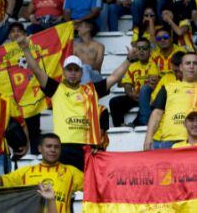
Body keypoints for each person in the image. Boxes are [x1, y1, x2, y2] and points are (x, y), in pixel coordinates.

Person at [21, 37, 131, 170]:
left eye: (76, 70)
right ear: (64, 72)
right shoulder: (57, 89)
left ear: (81, 73)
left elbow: (114, 77)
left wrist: (129, 60)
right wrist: (25, 49)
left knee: (86, 188)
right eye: (69, 69)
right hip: (63, 147)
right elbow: (37, 71)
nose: (73, 73)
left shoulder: (91, 90)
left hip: (88, 147)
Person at [109, 37, 159, 127]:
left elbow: (153, 81)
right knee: (114, 102)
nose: (141, 51)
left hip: (151, 96)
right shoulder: (132, 66)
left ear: (150, 50)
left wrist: (141, 95)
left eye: (144, 48)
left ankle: (137, 123)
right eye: (139, 48)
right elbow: (127, 84)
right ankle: (120, 126)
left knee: (146, 101)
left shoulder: (154, 62)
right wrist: (130, 93)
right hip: (136, 96)